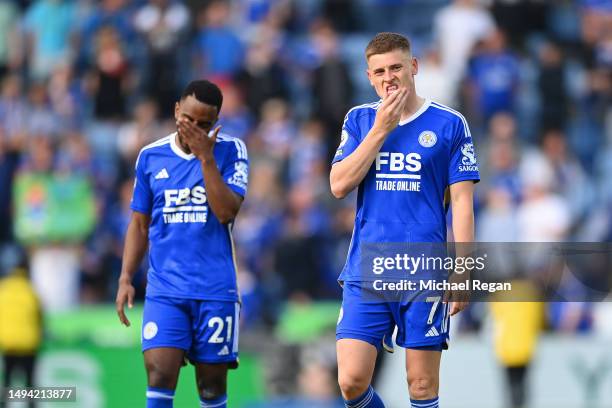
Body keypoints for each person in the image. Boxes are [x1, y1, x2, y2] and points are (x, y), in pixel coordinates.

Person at [329, 33, 480, 408]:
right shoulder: (361, 119)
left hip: (423, 271)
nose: (388, 77)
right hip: (368, 269)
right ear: (369, 77)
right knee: (350, 381)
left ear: (414, 67)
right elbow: (338, 185)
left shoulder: (449, 124)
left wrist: (464, 270)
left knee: (422, 385)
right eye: (379, 71)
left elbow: (462, 203)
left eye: (396, 67)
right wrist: (382, 128)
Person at [115, 80, 248, 408]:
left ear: (216, 122)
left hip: (215, 289)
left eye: (206, 124)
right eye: (189, 120)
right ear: (177, 110)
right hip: (166, 290)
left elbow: (226, 212)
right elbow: (139, 223)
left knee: (211, 387)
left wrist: (206, 159)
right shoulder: (151, 156)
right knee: (159, 374)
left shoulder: (232, 151)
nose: (197, 129)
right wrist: (125, 277)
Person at [0, 264, 43, 408]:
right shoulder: (31, 291)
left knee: (7, 383)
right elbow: (40, 316)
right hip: (28, 344)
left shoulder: (3, 290)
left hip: (9, 343)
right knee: (30, 385)